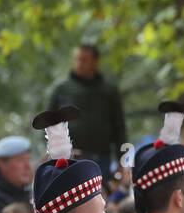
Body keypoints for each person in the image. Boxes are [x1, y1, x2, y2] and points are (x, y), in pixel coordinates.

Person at [47, 44, 127, 174]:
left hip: (102, 157)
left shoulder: (109, 91)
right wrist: (54, 151)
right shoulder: (61, 89)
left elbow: (120, 127)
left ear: (95, 62)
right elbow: (48, 122)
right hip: (70, 157)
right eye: (77, 59)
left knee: (101, 193)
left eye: (84, 60)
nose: (80, 63)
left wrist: (123, 160)